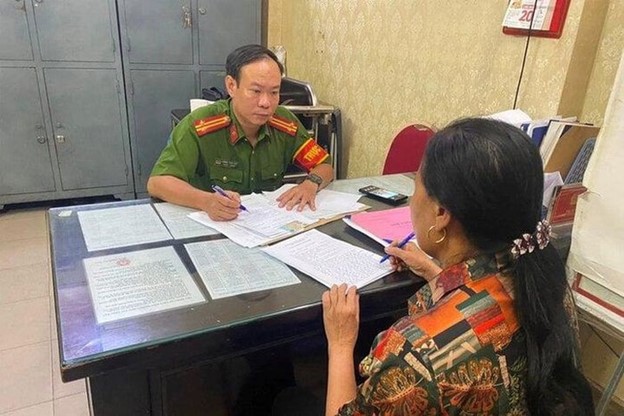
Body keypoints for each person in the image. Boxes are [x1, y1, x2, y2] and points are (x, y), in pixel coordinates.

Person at [322, 118, 594, 415]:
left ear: (440, 213)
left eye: (416, 186)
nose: (413, 199)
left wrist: (341, 342)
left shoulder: (416, 354)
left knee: (290, 398)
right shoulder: (546, 282)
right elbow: (490, 314)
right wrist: (436, 273)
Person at [147, 44, 334, 221]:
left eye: (274, 92)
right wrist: (205, 201)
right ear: (231, 86)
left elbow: (324, 166)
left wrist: (310, 184)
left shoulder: (285, 124)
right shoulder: (200, 125)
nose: (266, 103)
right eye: (255, 91)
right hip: (214, 224)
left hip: (267, 225)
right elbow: (158, 182)